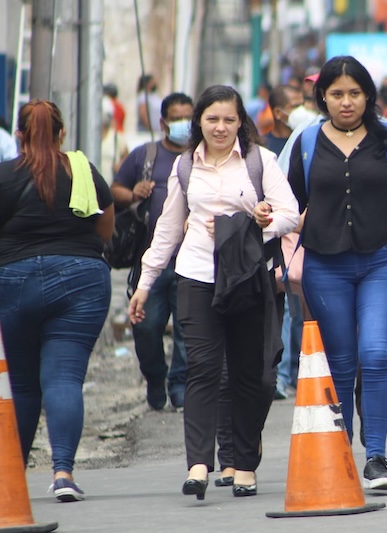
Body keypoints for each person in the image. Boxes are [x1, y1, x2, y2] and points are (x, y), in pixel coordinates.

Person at [128, 85, 299, 499]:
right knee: (202, 368)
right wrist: (145, 283)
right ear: (198, 123)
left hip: (247, 278)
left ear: (241, 122)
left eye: (228, 119)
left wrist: (258, 223)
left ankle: (244, 460)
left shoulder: (260, 161)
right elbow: (168, 228)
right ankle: (199, 463)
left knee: (253, 376)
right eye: (212, 119)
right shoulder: (186, 166)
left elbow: (290, 213)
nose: (220, 127)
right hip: (197, 275)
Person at [285, 56, 387, 490]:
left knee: (375, 355)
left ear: (368, 96)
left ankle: (376, 458)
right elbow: (288, 200)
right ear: (323, 98)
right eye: (336, 94)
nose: (346, 102)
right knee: (340, 363)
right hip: (324, 265)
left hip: (381, 261)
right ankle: (340, 454)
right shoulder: (306, 141)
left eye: (354, 93)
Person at [0, 99, 114, 502]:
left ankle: (9, 478)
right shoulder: (82, 169)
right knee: (64, 379)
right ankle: (63, 473)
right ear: (62, 134)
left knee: (24, 385)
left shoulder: (5, 176)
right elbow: (105, 228)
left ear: (19, 136)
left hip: (14, 282)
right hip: (81, 279)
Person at [112, 92, 194, 410]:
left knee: (189, 328)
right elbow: (114, 189)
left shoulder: (201, 156)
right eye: (177, 118)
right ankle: (155, 378)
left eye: (189, 117)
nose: (184, 124)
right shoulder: (144, 156)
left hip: (191, 262)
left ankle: (180, 385)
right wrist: (133, 193)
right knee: (146, 326)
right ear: (163, 123)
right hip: (150, 262)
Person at [265, 84, 304, 155]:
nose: (302, 110)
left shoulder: (308, 141)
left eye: (302, 105)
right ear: (278, 113)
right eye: (296, 106)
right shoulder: (263, 147)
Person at [100, 96, 128, 185]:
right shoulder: (87, 137)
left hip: (110, 186)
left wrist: (120, 166)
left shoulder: (116, 137)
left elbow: (127, 157)